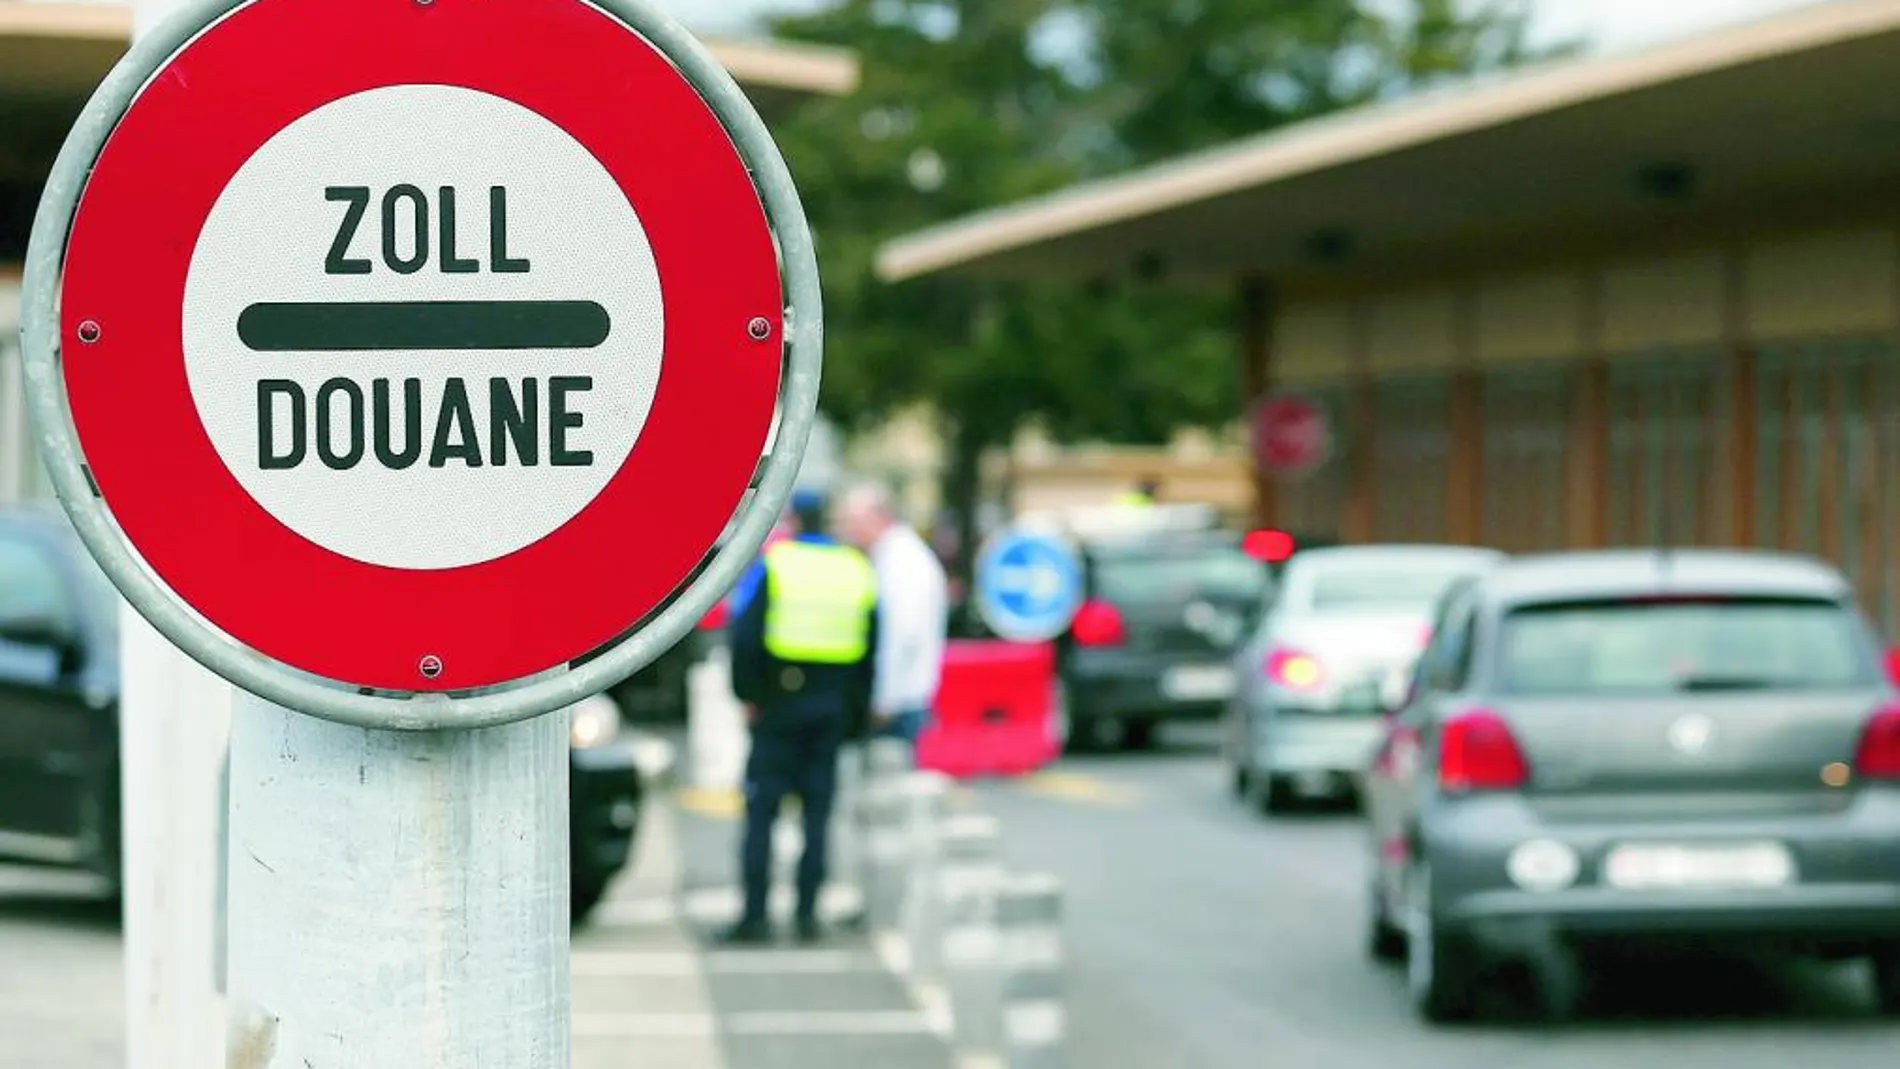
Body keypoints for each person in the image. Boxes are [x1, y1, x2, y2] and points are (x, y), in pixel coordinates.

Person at [721, 489, 879, 945]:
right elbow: (871, 649)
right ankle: (807, 916)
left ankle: (754, 917)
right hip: (830, 709)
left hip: (777, 706)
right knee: (817, 816)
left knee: (762, 813)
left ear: (791, 519)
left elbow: (745, 637)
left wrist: (748, 696)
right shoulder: (856, 569)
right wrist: (855, 715)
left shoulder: (774, 565)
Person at [836, 480, 949, 749]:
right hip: (903, 695)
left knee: (890, 784)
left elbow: (901, 635)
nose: (846, 531)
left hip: (899, 701)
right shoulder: (897, 556)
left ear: (878, 518)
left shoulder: (901, 563)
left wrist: (883, 700)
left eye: (851, 522)